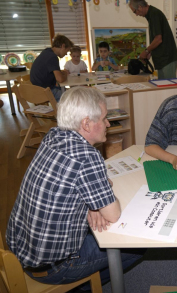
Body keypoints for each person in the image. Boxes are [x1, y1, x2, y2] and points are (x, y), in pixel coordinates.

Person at [6, 87, 145, 289]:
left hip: (20, 249)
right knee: (136, 247)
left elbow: (71, 178)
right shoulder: (88, 156)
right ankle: (86, 285)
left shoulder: (53, 135)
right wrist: (100, 202)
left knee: (98, 228)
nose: (108, 123)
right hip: (54, 267)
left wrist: (93, 204)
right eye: (105, 118)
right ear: (86, 124)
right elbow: (113, 214)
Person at [129, 0, 177, 79]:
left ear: (140, 7)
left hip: (167, 59)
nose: (136, 15)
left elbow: (158, 39)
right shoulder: (151, 15)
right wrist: (150, 52)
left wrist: (146, 51)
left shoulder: (154, 15)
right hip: (162, 60)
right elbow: (157, 38)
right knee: (162, 90)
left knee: (169, 89)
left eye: (134, 12)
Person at [30, 34, 73, 102]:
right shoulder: (52, 57)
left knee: (68, 91)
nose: (66, 54)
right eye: (67, 51)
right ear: (63, 46)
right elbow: (60, 79)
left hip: (36, 89)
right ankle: (63, 112)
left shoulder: (47, 51)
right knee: (70, 97)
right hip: (44, 91)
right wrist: (65, 74)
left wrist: (61, 73)